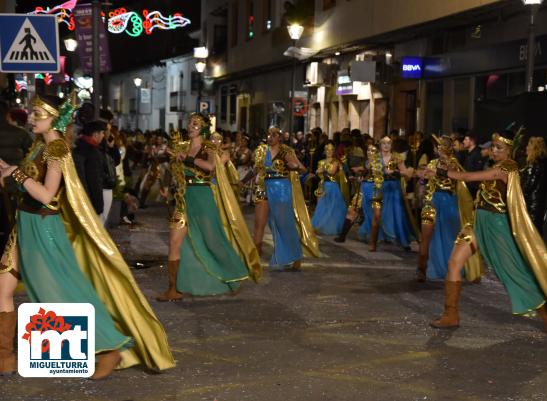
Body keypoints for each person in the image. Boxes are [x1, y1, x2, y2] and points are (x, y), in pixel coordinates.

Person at [0, 95, 175, 377]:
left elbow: (46, 195)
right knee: (2, 289)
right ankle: (4, 358)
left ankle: (109, 347)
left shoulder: (57, 149)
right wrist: (8, 172)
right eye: (31, 113)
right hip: (25, 224)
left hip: (42, 227)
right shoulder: (37, 146)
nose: (31, 118)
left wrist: (17, 176)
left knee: (58, 294)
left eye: (36, 113)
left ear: (53, 117)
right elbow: (26, 183)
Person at [427, 130, 547, 335]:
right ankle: (450, 314)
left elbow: (469, 177)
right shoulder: (495, 165)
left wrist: (441, 172)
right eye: (494, 147)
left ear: (510, 150)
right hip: (477, 223)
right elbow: (467, 177)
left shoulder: (508, 167)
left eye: (500, 148)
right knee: (454, 263)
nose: (495, 150)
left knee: (514, 274)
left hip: (496, 226)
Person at [156, 114, 252, 301]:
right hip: (184, 198)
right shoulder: (182, 146)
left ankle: (233, 274)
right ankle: (173, 289)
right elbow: (170, 167)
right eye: (190, 124)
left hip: (202, 197)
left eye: (196, 124)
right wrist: (166, 186)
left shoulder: (208, 147)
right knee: (174, 242)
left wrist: (188, 160)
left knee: (212, 240)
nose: (191, 127)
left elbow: (210, 167)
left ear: (204, 129)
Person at [417, 135, 481, 282]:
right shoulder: (432, 162)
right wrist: (422, 181)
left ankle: (449, 267)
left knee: (449, 236)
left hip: (448, 203)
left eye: (439, 147)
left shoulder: (453, 163)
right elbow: (423, 180)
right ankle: (422, 267)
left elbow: (459, 178)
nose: (437, 149)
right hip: (432, 202)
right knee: (428, 237)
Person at [253, 127, 319, 270]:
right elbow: (255, 170)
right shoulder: (262, 151)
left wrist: (294, 167)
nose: (270, 137)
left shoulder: (286, 151)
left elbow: (302, 169)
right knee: (261, 222)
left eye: (273, 135)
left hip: (281, 188)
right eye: (268, 134)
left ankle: (295, 256)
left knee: (284, 223)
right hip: (264, 187)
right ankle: (255, 255)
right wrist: (242, 181)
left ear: (280, 138)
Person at [375, 135, 418, 251]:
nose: (386, 145)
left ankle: (401, 239)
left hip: (394, 187)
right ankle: (384, 236)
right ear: (380, 145)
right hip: (381, 187)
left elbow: (406, 174)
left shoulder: (396, 157)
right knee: (381, 212)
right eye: (384, 143)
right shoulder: (376, 157)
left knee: (396, 212)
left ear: (391, 145)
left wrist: (396, 172)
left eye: (388, 143)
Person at [0, 100, 33, 251]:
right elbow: (30, 157)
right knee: (11, 225)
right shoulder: (21, 134)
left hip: (9, 181)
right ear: (7, 114)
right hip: (13, 184)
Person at [311, 142, 349, 236]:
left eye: (331, 150)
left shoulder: (335, 161)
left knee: (332, 207)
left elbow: (331, 172)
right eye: (327, 150)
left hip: (332, 186)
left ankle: (330, 225)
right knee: (321, 206)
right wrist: (320, 171)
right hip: (323, 185)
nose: (329, 151)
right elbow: (318, 173)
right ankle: (321, 225)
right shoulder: (321, 161)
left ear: (333, 151)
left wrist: (323, 170)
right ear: (324, 151)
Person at [73, 120, 107, 217]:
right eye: (102, 133)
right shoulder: (93, 152)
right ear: (95, 134)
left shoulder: (77, 147)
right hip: (90, 202)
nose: (103, 136)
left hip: (78, 198)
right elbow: (94, 180)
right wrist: (98, 206)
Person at [521, 136, 547, 233]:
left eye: (528, 145)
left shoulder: (534, 165)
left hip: (531, 206)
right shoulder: (543, 164)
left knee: (531, 234)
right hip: (538, 206)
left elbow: (528, 186)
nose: (526, 147)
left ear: (534, 149)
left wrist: (518, 197)